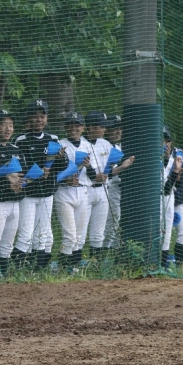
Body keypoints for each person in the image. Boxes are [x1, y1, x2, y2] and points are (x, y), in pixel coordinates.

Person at [12, 99, 68, 269]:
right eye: (35, 116)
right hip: (28, 194)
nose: (39, 120)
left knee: (42, 234)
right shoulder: (21, 140)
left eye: (42, 116)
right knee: (25, 234)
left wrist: (60, 159)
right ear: (29, 118)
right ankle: (17, 270)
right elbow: (16, 167)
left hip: (47, 193)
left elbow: (63, 166)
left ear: (47, 118)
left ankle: (36, 271)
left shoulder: (53, 139)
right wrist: (36, 171)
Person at [0, 110, 25, 276]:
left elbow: (24, 174)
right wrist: (7, 179)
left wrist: (21, 183)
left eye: (11, 125)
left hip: (15, 202)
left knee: (7, 244)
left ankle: (5, 278)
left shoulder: (16, 149)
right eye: (3, 125)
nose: (8, 129)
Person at [54, 112, 93, 268]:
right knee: (69, 235)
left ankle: (73, 267)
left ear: (83, 127)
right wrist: (65, 179)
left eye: (77, 125)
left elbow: (93, 174)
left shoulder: (87, 145)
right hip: (64, 191)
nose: (73, 128)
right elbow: (53, 171)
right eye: (70, 125)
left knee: (79, 236)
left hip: (83, 190)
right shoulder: (59, 143)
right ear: (65, 127)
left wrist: (88, 166)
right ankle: (63, 267)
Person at [80, 111, 114, 260]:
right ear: (91, 127)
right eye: (102, 126)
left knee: (98, 232)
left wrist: (122, 166)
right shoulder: (80, 143)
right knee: (81, 231)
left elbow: (111, 168)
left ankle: (95, 264)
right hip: (85, 190)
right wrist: (95, 175)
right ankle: (74, 264)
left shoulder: (105, 143)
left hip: (102, 190)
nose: (105, 129)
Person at [102, 116, 135, 250]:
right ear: (107, 129)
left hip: (117, 188)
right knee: (110, 223)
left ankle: (112, 252)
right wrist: (122, 167)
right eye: (114, 128)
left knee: (116, 222)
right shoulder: (102, 145)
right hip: (103, 187)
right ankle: (101, 254)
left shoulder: (119, 147)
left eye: (120, 128)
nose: (118, 132)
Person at [160, 126, 183, 267]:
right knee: (155, 232)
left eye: (166, 141)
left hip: (168, 197)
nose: (164, 144)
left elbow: (172, 187)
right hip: (154, 199)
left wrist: (177, 174)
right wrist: (175, 172)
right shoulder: (149, 159)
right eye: (161, 140)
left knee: (167, 233)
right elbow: (164, 188)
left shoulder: (173, 160)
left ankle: (163, 266)